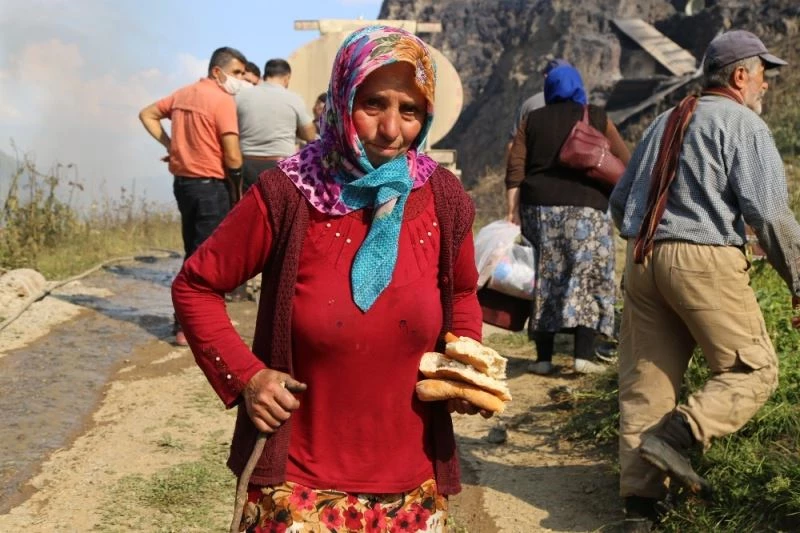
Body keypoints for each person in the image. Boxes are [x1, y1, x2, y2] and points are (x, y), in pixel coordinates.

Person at [172, 25, 488, 532]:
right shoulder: (288, 192)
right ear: (342, 99)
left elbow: (464, 290)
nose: (391, 129)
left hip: (412, 486)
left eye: (410, 111)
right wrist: (246, 377)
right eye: (373, 104)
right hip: (297, 484)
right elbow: (196, 285)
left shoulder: (443, 198)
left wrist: (464, 362)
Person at [609, 30, 796, 531]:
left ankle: (640, 511)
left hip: (642, 258)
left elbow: (620, 201)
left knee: (647, 384)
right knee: (754, 370)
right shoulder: (742, 124)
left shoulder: (663, 122)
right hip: (702, 259)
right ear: (741, 76)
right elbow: (770, 214)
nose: (765, 85)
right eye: (763, 75)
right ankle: (678, 436)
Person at [505, 64, 630, 375]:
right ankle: (583, 357)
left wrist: (512, 211)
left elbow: (515, 169)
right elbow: (625, 160)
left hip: (540, 211)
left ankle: (543, 360)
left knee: (544, 279)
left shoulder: (533, 120)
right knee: (587, 278)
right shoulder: (596, 116)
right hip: (588, 211)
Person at [139, 46, 248, 346]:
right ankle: (187, 324)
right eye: (236, 72)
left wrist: (171, 145)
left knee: (193, 250)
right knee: (205, 257)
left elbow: (147, 114)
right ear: (217, 71)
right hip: (211, 186)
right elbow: (233, 155)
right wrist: (237, 187)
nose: (240, 79)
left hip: (184, 184)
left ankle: (191, 320)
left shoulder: (183, 94)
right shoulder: (222, 100)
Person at [236, 58, 316, 193]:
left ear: (266, 74)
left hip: (247, 166)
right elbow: (310, 135)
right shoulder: (294, 98)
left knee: (251, 206)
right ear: (287, 77)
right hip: (281, 166)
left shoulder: (241, 96)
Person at [504, 58, 571, 163]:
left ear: (546, 77)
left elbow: (512, 146)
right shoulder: (582, 106)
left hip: (535, 168)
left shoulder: (530, 105)